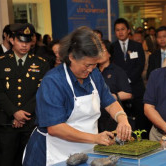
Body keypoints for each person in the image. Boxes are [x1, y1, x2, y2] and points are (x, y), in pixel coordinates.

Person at [22, 27, 131, 166]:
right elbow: (55, 128)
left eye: (95, 64)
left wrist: (122, 118)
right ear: (71, 57)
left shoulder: (94, 74)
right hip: (55, 153)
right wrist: (95, 138)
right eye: (87, 65)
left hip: (86, 149)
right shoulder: (53, 81)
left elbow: (109, 101)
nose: (91, 69)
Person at [0, 23, 50, 166]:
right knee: (5, 161)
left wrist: (23, 114)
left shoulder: (41, 64)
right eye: (20, 41)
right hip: (7, 123)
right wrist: (14, 112)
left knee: (30, 161)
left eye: (27, 41)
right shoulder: (0, 63)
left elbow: (42, 92)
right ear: (12, 40)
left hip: (30, 123)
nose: (24, 45)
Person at [110, 18, 150, 138]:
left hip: (136, 88)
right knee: (123, 119)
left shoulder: (137, 46)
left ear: (128, 30)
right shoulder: (113, 47)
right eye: (117, 30)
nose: (120, 32)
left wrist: (128, 80)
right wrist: (122, 82)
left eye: (122, 29)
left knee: (141, 119)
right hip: (119, 90)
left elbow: (140, 65)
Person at [98, 40, 132, 132]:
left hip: (111, 116)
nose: (99, 53)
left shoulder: (117, 71)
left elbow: (128, 93)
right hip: (96, 117)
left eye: (103, 50)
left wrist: (111, 96)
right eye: (97, 50)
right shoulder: (92, 71)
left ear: (109, 54)